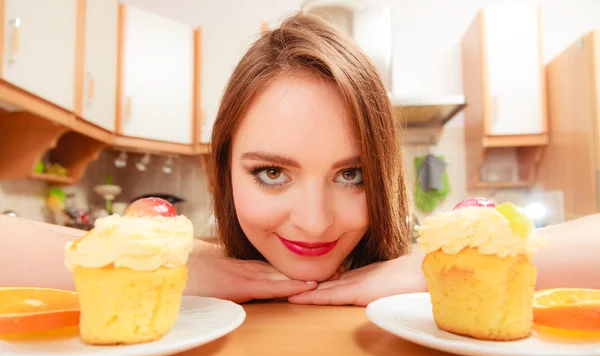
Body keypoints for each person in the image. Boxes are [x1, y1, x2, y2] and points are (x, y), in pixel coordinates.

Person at [2, 13, 599, 306]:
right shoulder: (191, 278)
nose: (313, 223)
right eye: (271, 173)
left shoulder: (424, 285)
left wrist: (440, 271)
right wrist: (162, 267)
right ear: (224, 168)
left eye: (352, 174)